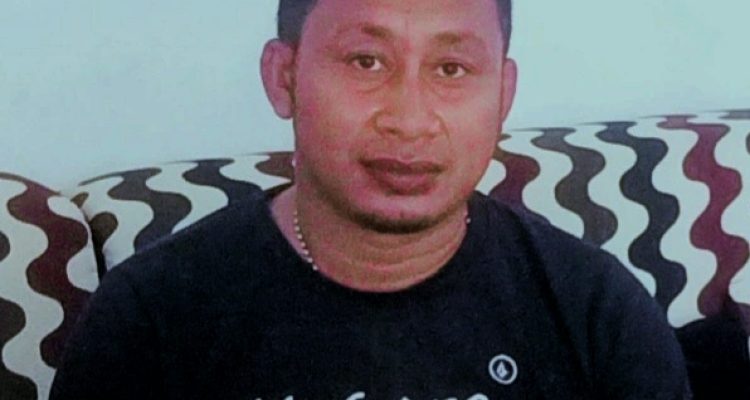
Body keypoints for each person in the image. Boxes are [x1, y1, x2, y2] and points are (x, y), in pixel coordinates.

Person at [50, 0, 692, 398]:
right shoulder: (152, 317)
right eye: (366, 62)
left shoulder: (596, 310)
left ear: (503, 93)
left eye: (451, 69)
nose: (409, 121)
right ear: (283, 78)